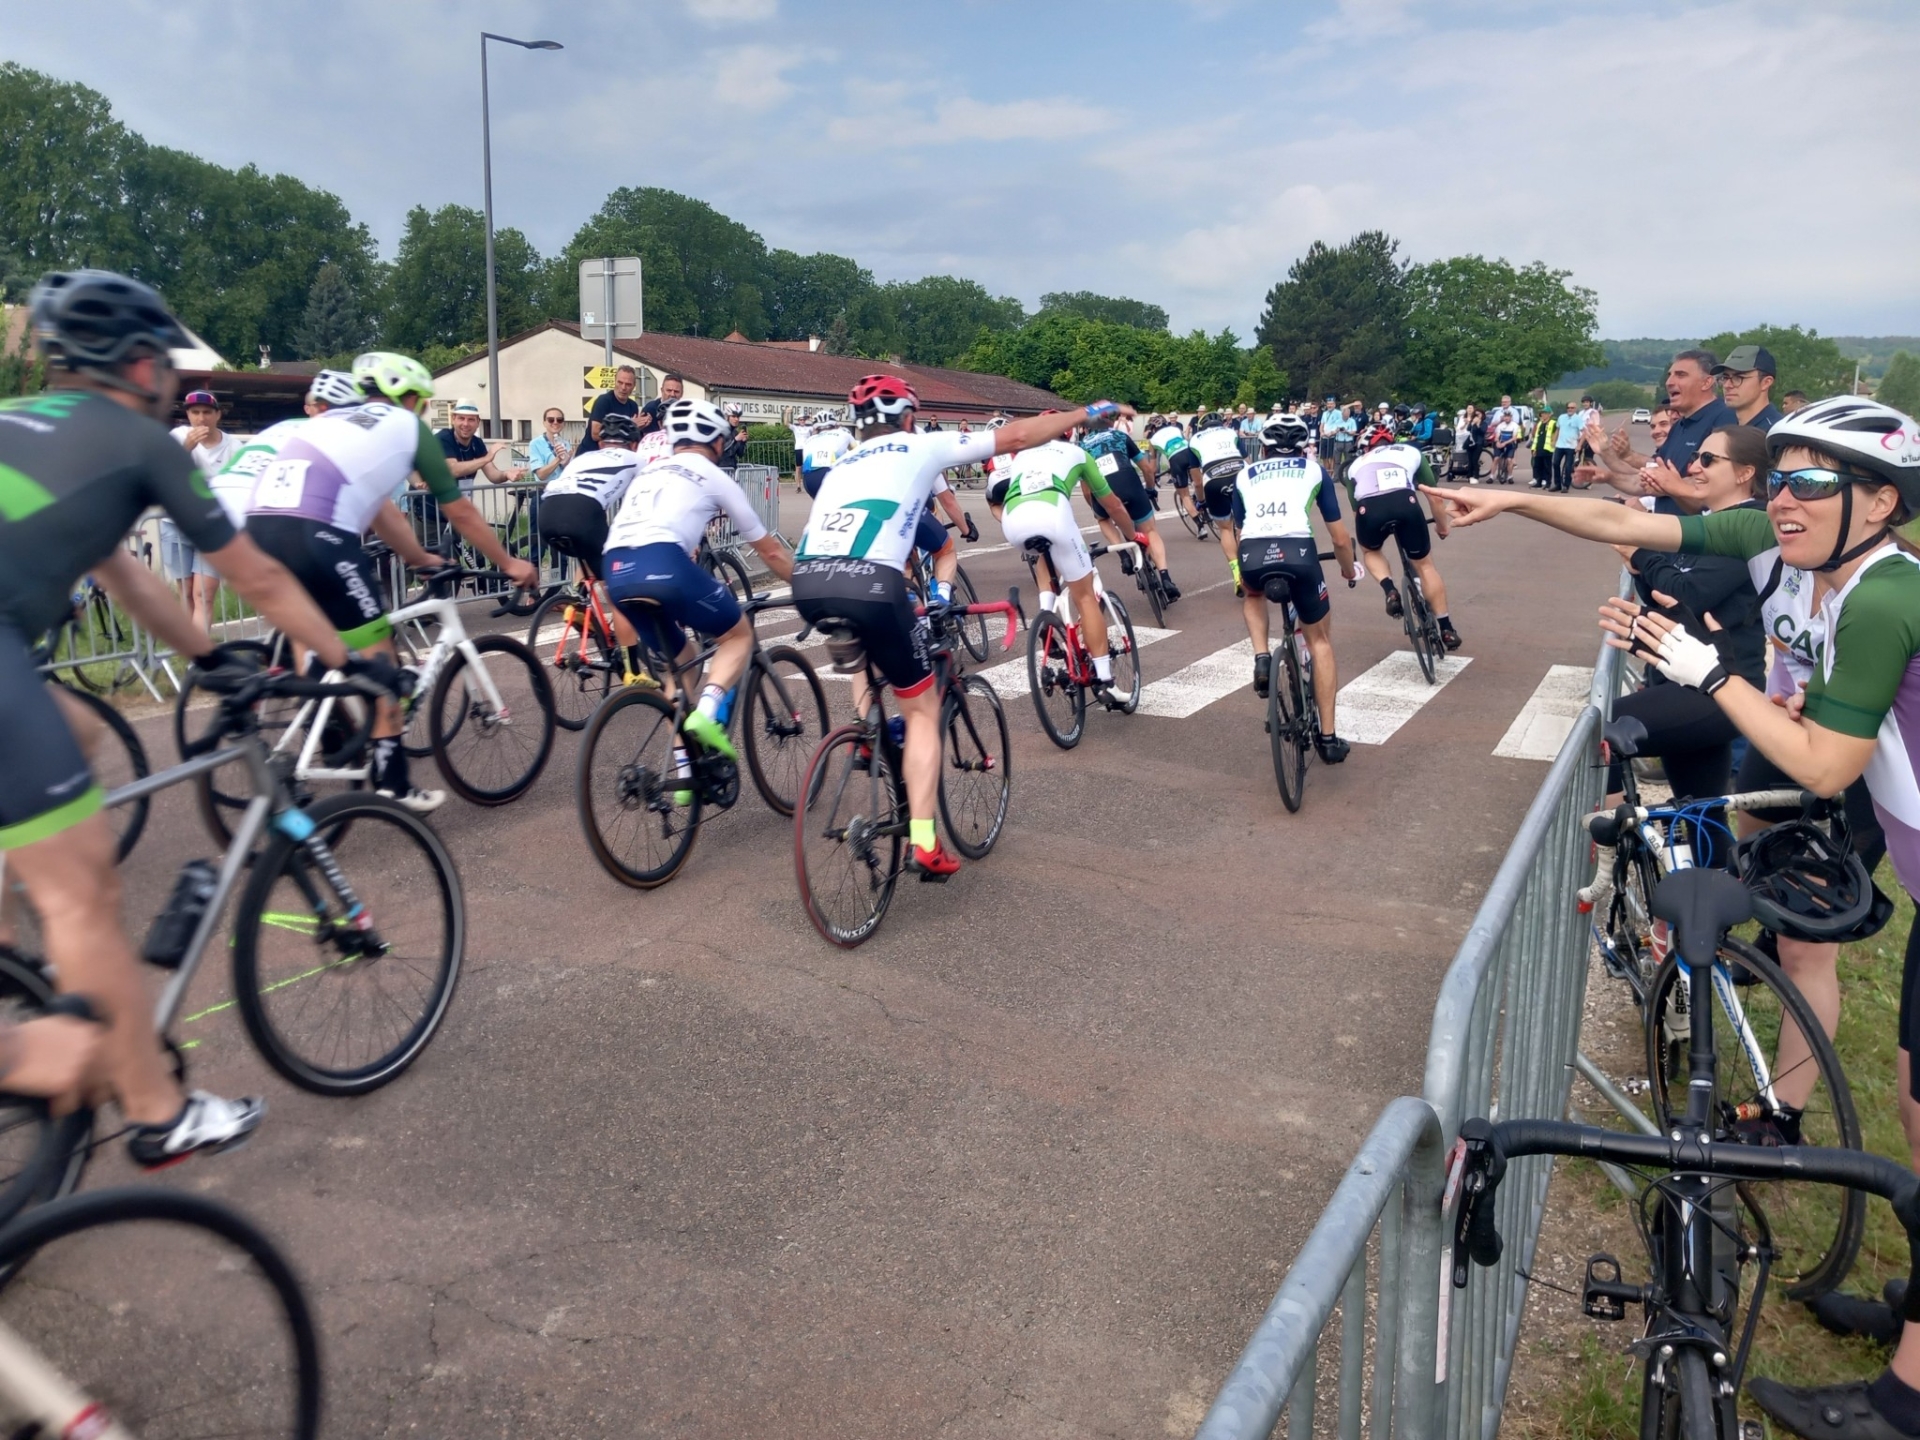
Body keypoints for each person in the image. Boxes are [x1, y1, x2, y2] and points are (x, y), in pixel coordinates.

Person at [1432, 397, 1920, 1438]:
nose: (1784, 498)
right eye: (1778, 476)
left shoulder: (1883, 596)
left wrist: (1712, 675)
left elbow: (1826, 766)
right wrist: (1508, 499)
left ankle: (1907, 1399)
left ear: (1880, 501)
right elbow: (1624, 526)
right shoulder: (1805, 552)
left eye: (1814, 483)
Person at [1, 269, 407, 1167]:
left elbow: (122, 570)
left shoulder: (23, 422)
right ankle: (157, 1110)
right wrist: (348, 668)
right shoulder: (140, 444)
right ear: (141, 364)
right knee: (80, 895)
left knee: (79, 735)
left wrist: (208, 655)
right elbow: (257, 577)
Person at [790, 375, 1126, 877]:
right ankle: (924, 842)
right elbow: (1013, 438)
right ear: (907, 417)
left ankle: (867, 732)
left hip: (809, 581)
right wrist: (1084, 414)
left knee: (875, 656)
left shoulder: (840, 466)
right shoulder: (917, 445)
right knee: (923, 709)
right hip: (872, 584)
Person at [226, 351, 541, 811]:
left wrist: (417, 558)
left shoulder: (333, 422)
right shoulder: (405, 427)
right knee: (382, 661)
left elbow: (380, 508)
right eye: (423, 402)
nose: (423, 411)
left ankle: (328, 726)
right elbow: (459, 509)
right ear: (407, 397)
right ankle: (393, 782)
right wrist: (510, 563)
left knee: (320, 644)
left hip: (257, 533)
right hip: (318, 538)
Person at [1433, 426, 1770, 805]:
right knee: (1701, 815)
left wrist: (1641, 553)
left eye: (1708, 459)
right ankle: (1696, 861)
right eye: (1696, 457)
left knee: (1598, 732)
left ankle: (1614, 839)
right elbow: (1664, 594)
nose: (1694, 467)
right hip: (1683, 681)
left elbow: (1685, 594)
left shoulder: (1751, 524)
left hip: (1720, 691)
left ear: (1745, 473)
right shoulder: (1709, 522)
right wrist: (1644, 565)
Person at [600, 398, 795, 783]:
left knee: (682, 664)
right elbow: (770, 549)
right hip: (663, 562)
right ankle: (707, 713)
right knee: (737, 635)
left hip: (616, 570)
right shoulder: (713, 474)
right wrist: (808, 586)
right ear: (718, 443)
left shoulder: (651, 471)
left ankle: (687, 776)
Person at [1236, 413, 1357, 762]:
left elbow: (1239, 530)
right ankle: (1328, 738)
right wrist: (1349, 570)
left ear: (1263, 446)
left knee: (1253, 592)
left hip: (1253, 552)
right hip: (1299, 553)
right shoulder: (1314, 470)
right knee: (1320, 641)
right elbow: (1339, 537)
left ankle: (1261, 657)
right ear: (1305, 446)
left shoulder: (1246, 473)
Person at [987, 425, 1134, 705]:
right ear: (1067, 435)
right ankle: (1105, 681)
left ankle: (1046, 616)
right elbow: (1112, 504)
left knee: (1045, 553)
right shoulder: (1076, 452)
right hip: (1052, 513)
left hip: (1014, 518)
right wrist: (1132, 535)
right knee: (1085, 596)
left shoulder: (1023, 455)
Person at [535, 410, 649, 682]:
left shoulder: (584, 457)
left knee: (586, 557)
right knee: (619, 592)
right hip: (583, 514)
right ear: (634, 443)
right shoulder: (637, 459)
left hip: (547, 513)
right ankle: (632, 671)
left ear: (601, 443)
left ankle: (577, 603)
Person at [1350, 422, 1461, 650]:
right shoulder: (1411, 452)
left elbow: (1356, 511)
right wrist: (1442, 527)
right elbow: (1435, 497)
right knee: (1425, 566)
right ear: (1390, 442)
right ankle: (1446, 628)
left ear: (1365, 448)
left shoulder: (1354, 466)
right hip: (1405, 504)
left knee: (1370, 550)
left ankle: (1389, 589)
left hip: (1370, 510)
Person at [160, 388, 240, 635]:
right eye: (195, 412)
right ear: (188, 415)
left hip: (212, 527)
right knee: (185, 592)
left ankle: (201, 658)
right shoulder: (178, 436)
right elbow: (165, 471)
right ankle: (193, 649)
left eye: (207, 412)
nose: (201, 418)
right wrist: (187, 447)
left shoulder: (233, 446)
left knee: (203, 594)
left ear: (218, 415)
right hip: (175, 523)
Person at [1078, 409, 1179, 600]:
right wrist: (1150, 489)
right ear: (1108, 423)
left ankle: (1122, 554)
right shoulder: (1119, 436)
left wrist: (1097, 510)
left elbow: (1085, 491)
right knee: (1150, 531)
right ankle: (1166, 577)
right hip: (1128, 483)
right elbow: (1147, 469)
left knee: (1103, 519)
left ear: (1087, 429)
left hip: (1103, 490)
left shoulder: (1082, 446)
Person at [1189, 412, 1249, 585]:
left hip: (1214, 479)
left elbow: (1198, 482)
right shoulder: (1230, 432)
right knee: (1245, 523)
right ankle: (1253, 561)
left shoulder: (1194, 439)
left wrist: (1201, 501)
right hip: (1239, 473)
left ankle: (1237, 573)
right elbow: (1248, 461)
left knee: (1225, 529)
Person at [436, 399, 525, 494]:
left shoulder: (477, 442)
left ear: (478, 422)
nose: (465, 424)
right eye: (461, 418)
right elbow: (452, 470)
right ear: (453, 419)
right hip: (432, 505)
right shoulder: (443, 438)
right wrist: (487, 458)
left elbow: (493, 475)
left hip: (459, 502)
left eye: (471, 419)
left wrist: (507, 474)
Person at [1146, 414, 1205, 528]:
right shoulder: (1175, 429)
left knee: (1184, 495)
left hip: (1175, 460)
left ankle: (1200, 526)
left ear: (1153, 428)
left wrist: (1153, 477)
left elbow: (1153, 467)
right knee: (1199, 482)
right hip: (1190, 453)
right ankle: (1204, 503)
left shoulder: (1152, 440)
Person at [1715, 344, 1784, 431]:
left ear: (1766, 383)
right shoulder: (1726, 427)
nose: (1727, 385)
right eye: (1725, 377)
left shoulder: (1776, 433)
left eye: (1738, 378)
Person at [790, 406, 854, 498]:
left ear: (816, 428)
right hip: (832, 474)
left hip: (809, 479)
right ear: (835, 425)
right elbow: (858, 453)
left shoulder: (809, 440)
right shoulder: (844, 434)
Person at [582, 365, 640, 453]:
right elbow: (595, 434)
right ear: (614, 381)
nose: (623, 387)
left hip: (617, 456)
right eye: (620, 382)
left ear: (634, 386)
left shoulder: (633, 406)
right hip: (591, 455)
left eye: (628, 384)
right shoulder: (603, 401)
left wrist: (637, 429)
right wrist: (628, 427)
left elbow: (631, 439)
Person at [527, 407, 575, 484]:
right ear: (544, 423)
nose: (555, 422)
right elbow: (541, 475)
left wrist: (567, 463)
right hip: (545, 491)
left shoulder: (566, 443)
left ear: (563, 423)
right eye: (551, 420)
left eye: (559, 420)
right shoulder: (535, 443)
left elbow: (569, 472)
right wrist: (558, 459)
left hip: (564, 489)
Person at [1488, 396, 1521, 484]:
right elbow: (1494, 428)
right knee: (1496, 459)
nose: (1504, 403)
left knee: (1509, 460)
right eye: (1502, 402)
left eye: (1506, 402)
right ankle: (1491, 476)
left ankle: (1510, 476)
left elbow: (1515, 435)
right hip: (1500, 441)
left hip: (1510, 441)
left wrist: (1505, 443)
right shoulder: (1498, 413)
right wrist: (1498, 442)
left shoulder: (1514, 414)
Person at [1552, 401, 1584, 491]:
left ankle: (1566, 485)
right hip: (1560, 445)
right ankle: (1557, 484)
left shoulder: (1578, 419)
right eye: (1568, 408)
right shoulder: (1561, 417)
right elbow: (1558, 429)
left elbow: (1584, 432)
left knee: (1568, 467)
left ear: (1575, 409)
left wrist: (1579, 445)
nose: (1570, 409)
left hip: (1571, 446)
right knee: (1555, 463)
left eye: (1572, 408)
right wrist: (1554, 440)